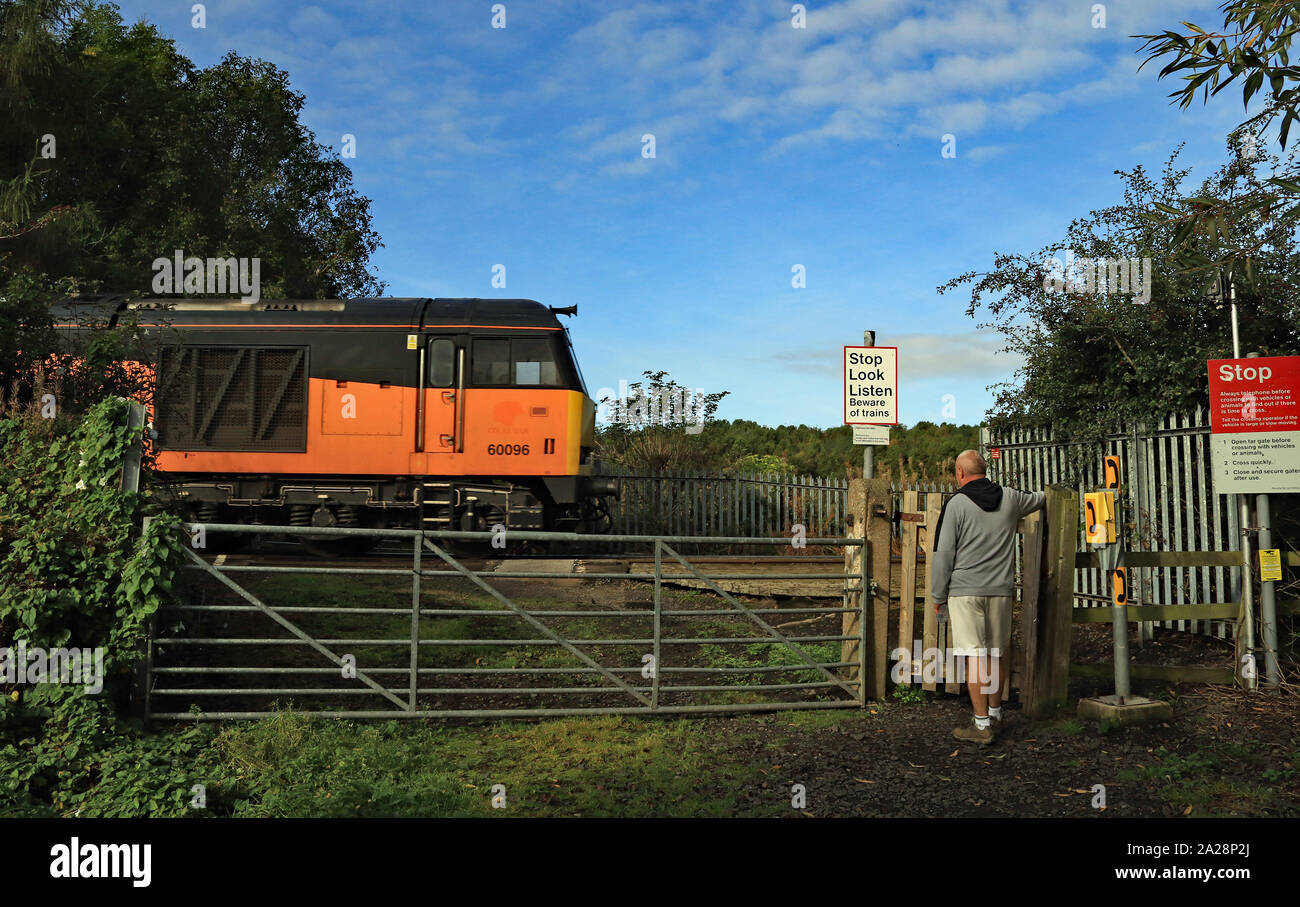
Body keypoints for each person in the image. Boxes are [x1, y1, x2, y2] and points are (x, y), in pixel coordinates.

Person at [929, 450, 1045, 745]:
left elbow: (943, 555)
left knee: (975, 656)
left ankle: (981, 727)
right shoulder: (1011, 497)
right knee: (996, 653)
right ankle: (995, 714)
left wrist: (937, 595)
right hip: (1001, 590)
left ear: (960, 472)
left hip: (966, 592)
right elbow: (1042, 498)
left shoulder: (955, 505)